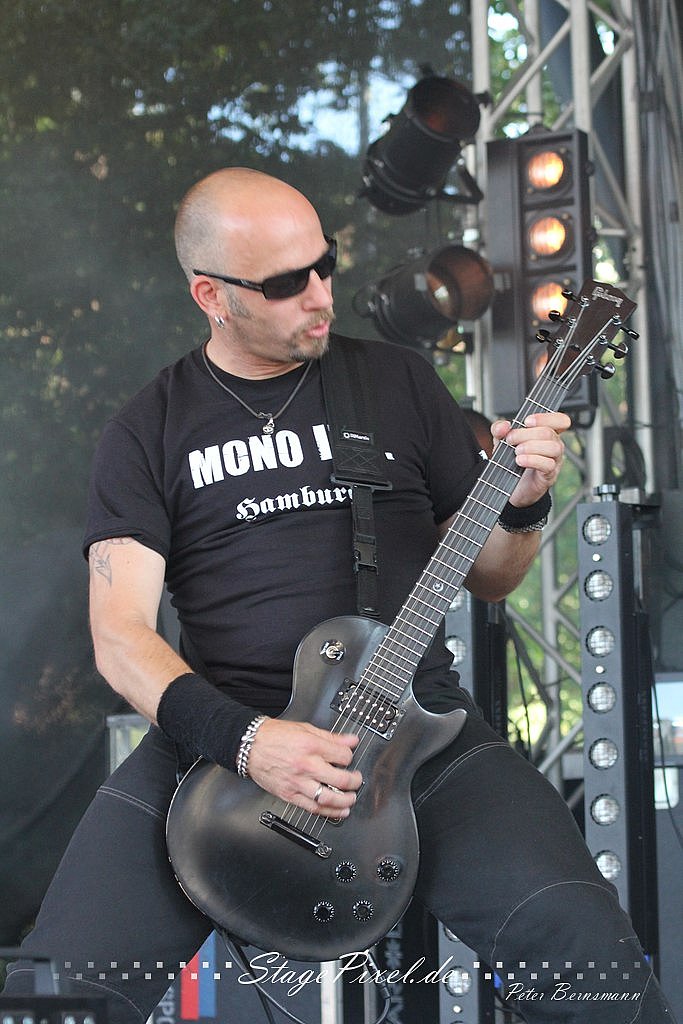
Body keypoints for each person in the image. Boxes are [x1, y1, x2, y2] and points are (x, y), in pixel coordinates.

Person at [4, 167, 675, 1024]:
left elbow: (493, 574)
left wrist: (524, 504)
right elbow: (120, 637)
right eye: (287, 284)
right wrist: (248, 742)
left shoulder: (395, 383)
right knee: (60, 993)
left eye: (324, 266)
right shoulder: (148, 429)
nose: (320, 295)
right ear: (211, 295)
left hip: (417, 733)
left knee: (596, 973)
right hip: (217, 748)